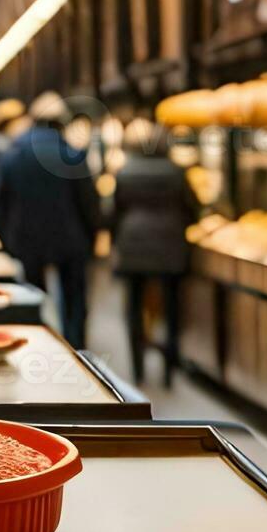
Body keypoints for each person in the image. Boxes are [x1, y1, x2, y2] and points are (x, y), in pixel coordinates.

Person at [0, 93, 100, 349]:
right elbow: (89, 203)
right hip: (70, 240)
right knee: (74, 303)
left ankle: (41, 348)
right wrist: (92, 238)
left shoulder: (13, 154)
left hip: (26, 239)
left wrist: (6, 240)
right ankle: (76, 352)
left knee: (34, 301)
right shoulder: (73, 155)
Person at [112, 119, 197, 385]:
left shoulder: (124, 172)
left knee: (135, 309)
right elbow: (192, 208)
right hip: (170, 245)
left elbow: (114, 212)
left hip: (133, 245)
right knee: (172, 309)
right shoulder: (177, 172)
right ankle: (169, 372)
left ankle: (138, 370)